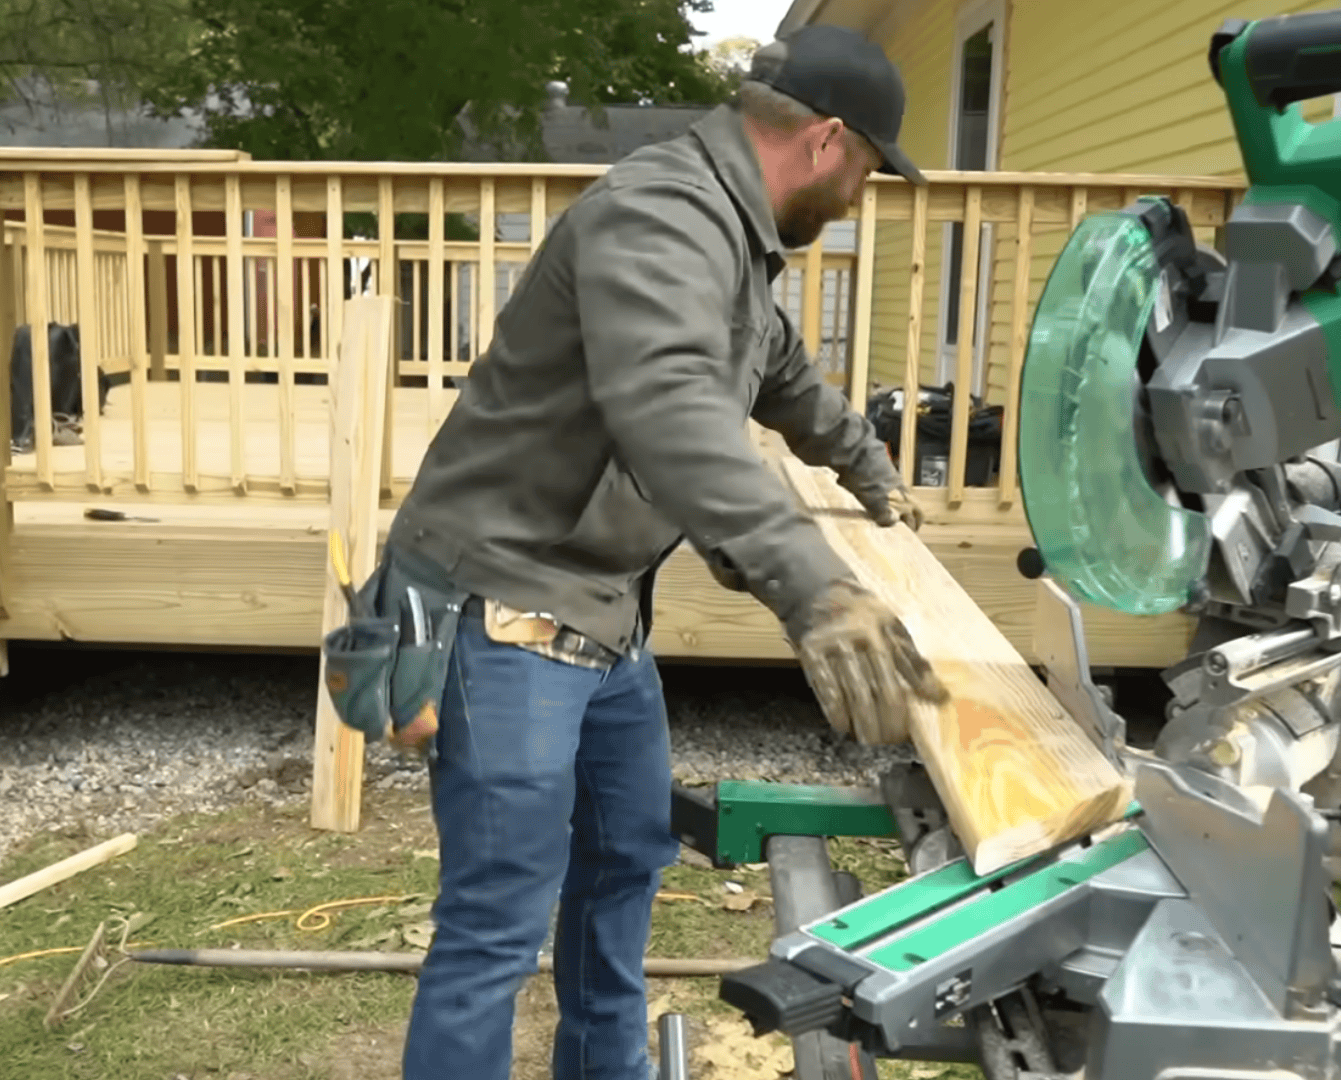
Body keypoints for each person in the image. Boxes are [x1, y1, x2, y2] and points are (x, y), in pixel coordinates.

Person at [382, 24, 948, 1080]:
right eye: (869, 170)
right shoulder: (659, 216)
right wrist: (814, 587)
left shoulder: (727, 246)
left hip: (603, 614)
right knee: (497, 926)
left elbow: (782, 377)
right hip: (507, 607)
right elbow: (672, 406)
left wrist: (875, 478)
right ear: (827, 141)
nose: (862, 196)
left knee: (621, 871)